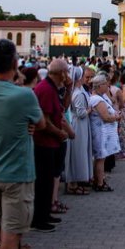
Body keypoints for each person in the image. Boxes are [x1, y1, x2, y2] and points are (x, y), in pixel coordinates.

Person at [0, 40, 46, 248]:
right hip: (16, 174)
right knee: (10, 234)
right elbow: (40, 123)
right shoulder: (24, 95)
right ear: (15, 62)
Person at [31, 58, 73, 231]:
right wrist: (60, 133)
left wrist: (69, 88)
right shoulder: (46, 89)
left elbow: (63, 106)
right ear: (61, 73)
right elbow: (45, 121)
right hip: (44, 143)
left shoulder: (53, 88)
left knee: (48, 182)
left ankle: (45, 213)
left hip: (51, 143)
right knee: (43, 183)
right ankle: (39, 219)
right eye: (66, 72)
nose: (68, 75)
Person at [88, 73, 121, 191]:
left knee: (101, 157)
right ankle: (100, 183)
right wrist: (116, 117)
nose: (108, 87)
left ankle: (98, 180)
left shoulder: (99, 97)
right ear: (100, 85)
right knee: (100, 157)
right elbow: (106, 117)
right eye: (106, 84)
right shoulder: (97, 99)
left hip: (102, 132)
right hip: (100, 132)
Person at [64, 64, 93, 196]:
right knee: (78, 152)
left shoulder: (74, 92)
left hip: (77, 123)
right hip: (79, 124)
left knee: (77, 152)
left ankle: (73, 182)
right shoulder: (79, 94)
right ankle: (73, 183)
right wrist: (89, 110)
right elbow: (81, 113)